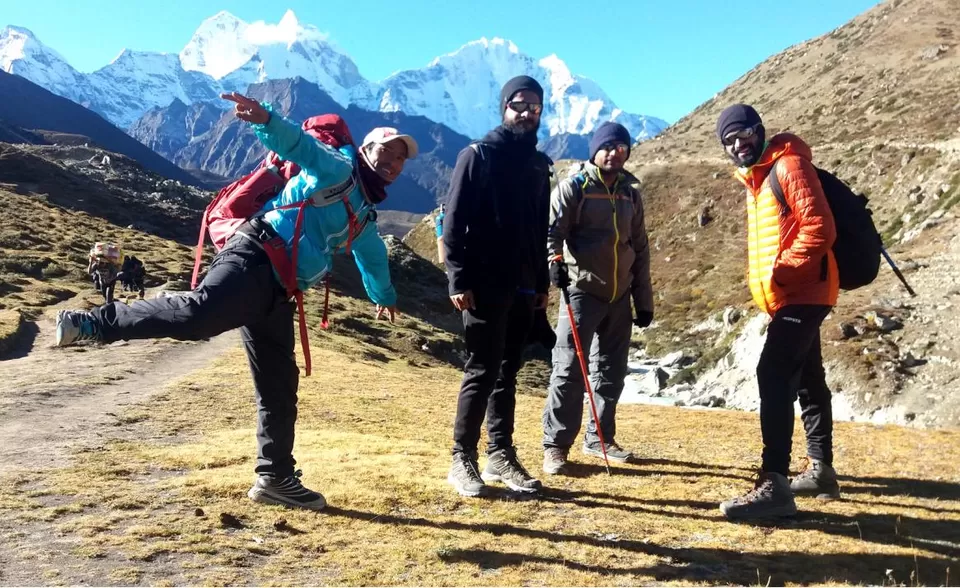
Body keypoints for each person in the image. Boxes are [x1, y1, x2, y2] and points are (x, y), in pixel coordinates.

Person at [55, 92, 419, 511]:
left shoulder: (366, 214)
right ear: (366, 150)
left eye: (399, 160)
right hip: (257, 255)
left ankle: (276, 478)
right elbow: (298, 146)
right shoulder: (338, 167)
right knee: (199, 316)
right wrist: (266, 120)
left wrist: (384, 296)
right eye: (386, 153)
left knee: (279, 387)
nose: (392, 163)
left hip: (281, 290)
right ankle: (92, 323)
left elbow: (371, 256)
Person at [714, 104, 840, 520]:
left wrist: (784, 270)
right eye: (730, 141)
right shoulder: (758, 178)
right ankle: (821, 471)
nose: (739, 143)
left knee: (773, 372)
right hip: (795, 294)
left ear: (760, 130)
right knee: (807, 377)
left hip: (803, 290)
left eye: (744, 134)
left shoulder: (786, 166)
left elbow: (819, 226)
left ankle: (775, 484)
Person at [442, 75, 552, 497]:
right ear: (504, 107)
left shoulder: (539, 164)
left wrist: (541, 282)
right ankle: (461, 458)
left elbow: (539, 227)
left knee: (509, 371)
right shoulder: (478, 155)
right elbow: (454, 223)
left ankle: (500, 453)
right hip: (484, 282)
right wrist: (457, 277)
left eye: (534, 107)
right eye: (519, 105)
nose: (526, 113)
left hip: (524, 285)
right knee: (481, 370)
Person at [541, 122, 653, 475]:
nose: (615, 152)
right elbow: (550, 233)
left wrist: (643, 299)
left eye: (621, 146)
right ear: (595, 150)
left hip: (619, 297)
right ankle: (556, 447)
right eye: (608, 146)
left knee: (611, 372)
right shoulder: (574, 188)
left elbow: (640, 248)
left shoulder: (630, 194)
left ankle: (601, 439)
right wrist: (553, 265)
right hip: (580, 292)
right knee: (570, 370)